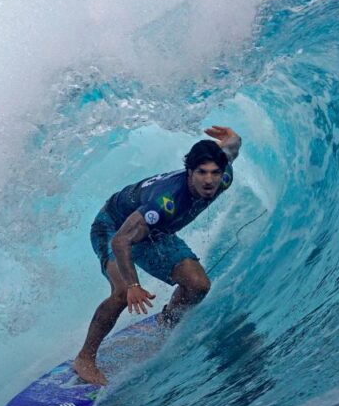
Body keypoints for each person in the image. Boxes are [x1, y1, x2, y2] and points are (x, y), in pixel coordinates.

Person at [73, 125, 242, 385]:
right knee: (120, 294)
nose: (209, 180)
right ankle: (84, 359)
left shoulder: (223, 178)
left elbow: (231, 148)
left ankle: (167, 321)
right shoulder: (167, 201)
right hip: (113, 227)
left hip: (155, 233)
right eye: (201, 173)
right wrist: (133, 285)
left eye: (214, 173)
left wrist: (230, 138)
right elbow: (121, 241)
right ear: (190, 172)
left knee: (198, 285)